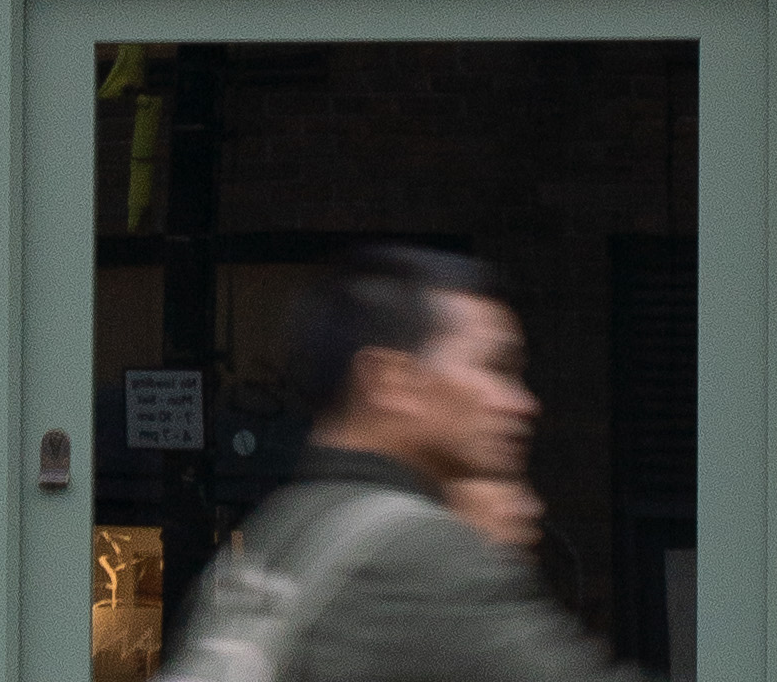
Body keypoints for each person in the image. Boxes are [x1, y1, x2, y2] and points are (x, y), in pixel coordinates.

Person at [170, 244, 623, 682]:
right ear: (390, 383)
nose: (523, 403)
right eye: (496, 367)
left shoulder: (271, 535)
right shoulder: (422, 554)